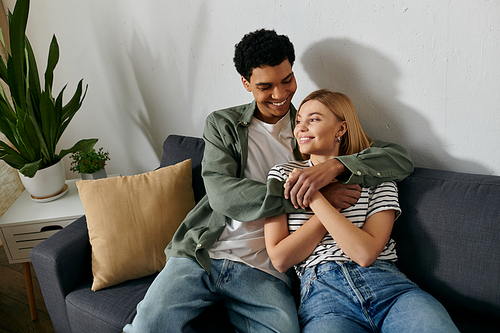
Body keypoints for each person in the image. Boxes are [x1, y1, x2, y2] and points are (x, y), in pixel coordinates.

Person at [124, 30, 414, 333]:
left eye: (287, 80)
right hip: (203, 253)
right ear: (246, 84)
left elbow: (398, 159)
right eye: (265, 86)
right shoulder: (223, 124)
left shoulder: (307, 130)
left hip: (265, 268)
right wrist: (315, 194)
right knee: (147, 326)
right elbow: (223, 195)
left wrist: (334, 166)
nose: (279, 94)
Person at [265, 89, 459, 333]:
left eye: (313, 119)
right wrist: (326, 199)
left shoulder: (376, 174)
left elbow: (365, 253)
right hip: (324, 299)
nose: (301, 127)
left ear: (341, 129)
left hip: (390, 289)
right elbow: (281, 259)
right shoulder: (283, 175)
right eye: (299, 120)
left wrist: (313, 196)